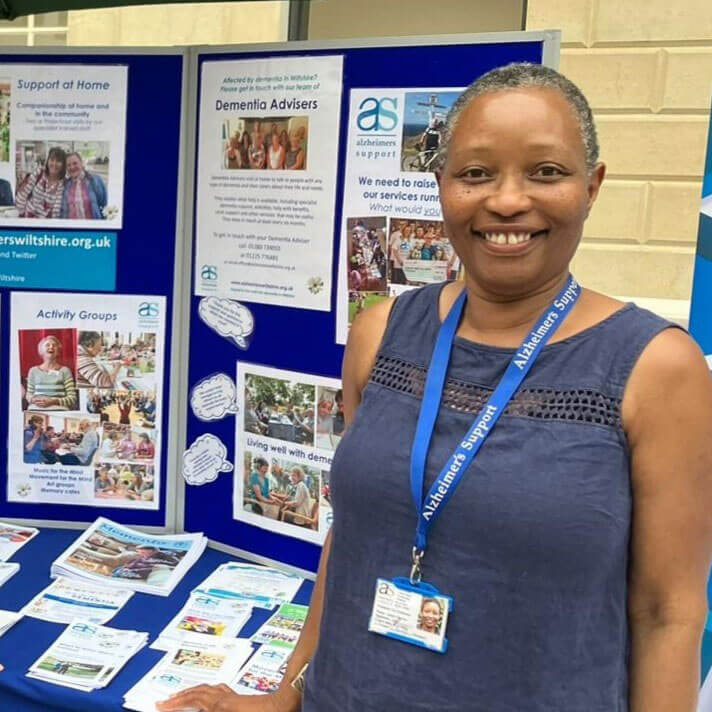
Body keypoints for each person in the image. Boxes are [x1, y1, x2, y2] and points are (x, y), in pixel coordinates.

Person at [158, 63, 712, 712]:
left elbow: (666, 612)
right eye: (476, 173)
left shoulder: (654, 368)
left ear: (592, 187)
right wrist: (290, 691)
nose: (507, 200)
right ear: (441, 185)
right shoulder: (381, 334)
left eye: (546, 171)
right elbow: (353, 536)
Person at [25, 335, 77, 410]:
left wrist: (53, 401)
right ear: (41, 350)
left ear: (58, 351)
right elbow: (29, 395)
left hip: (59, 411)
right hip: (36, 410)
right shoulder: (33, 371)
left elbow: (72, 398)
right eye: (47, 345)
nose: (51, 347)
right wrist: (34, 400)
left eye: (54, 345)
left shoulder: (65, 371)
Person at [15, 146, 66, 218]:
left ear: (63, 165)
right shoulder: (39, 173)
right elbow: (23, 194)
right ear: (48, 161)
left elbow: (58, 211)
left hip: (48, 226)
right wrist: (21, 215)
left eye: (58, 161)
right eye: (52, 159)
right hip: (28, 221)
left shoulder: (65, 183)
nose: (54, 164)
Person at [60, 152, 107, 219]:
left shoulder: (95, 180)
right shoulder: (66, 185)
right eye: (68, 165)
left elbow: (105, 206)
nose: (72, 167)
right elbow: (64, 211)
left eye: (75, 163)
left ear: (81, 163)